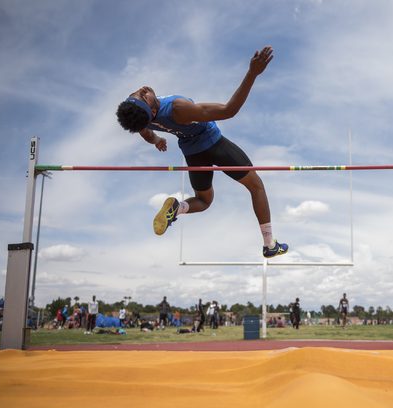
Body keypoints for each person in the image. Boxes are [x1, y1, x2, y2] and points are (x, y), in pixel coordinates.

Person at [115, 46, 288, 259]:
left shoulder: (143, 120)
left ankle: (177, 208)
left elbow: (148, 135)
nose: (143, 90)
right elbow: (228, 110)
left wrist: (158, 140)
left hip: (192, 154)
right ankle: (269, 244)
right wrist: (253, 73)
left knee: (204, 201)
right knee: (256, 186)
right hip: (214, 144)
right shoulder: (178, 108)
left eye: (137, 93)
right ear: (151, 112)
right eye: (144, 97)